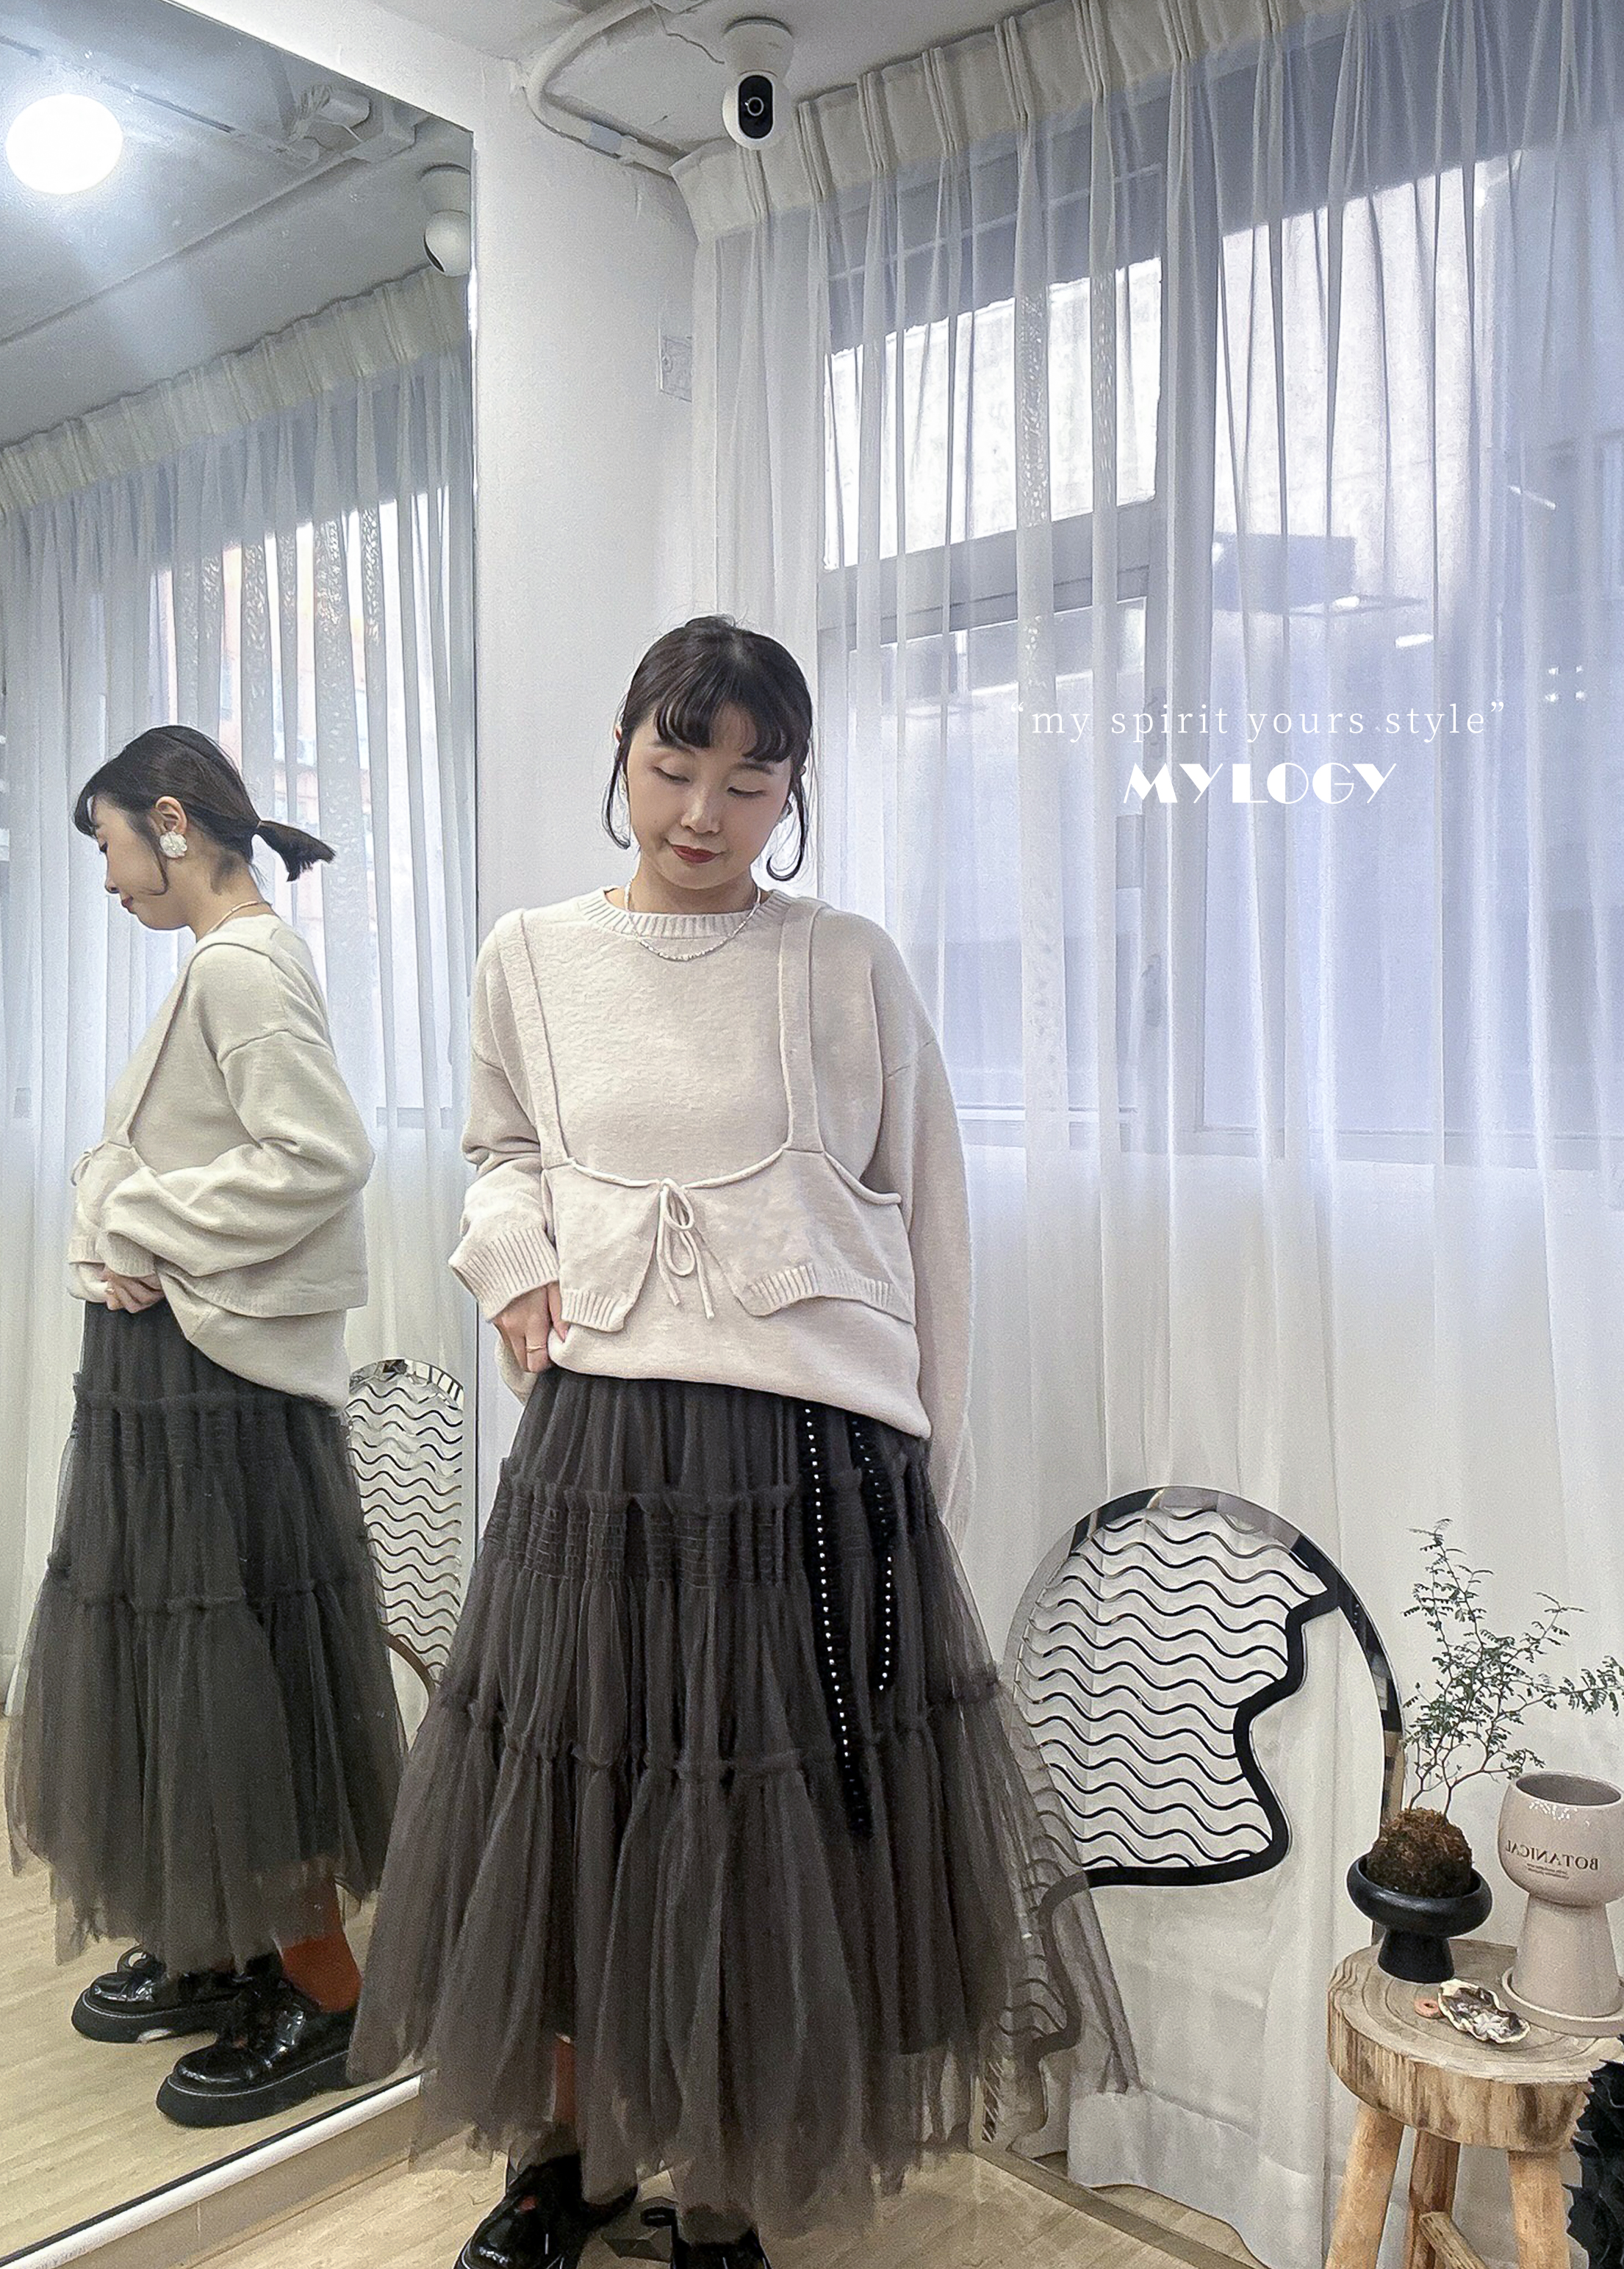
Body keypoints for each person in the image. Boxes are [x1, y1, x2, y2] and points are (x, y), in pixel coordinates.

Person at [347, 618, 1136, 2268]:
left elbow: (932, 1219)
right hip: (604, 1459)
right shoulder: (531, 956)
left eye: (750, 779)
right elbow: (501, 1151)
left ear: (793, 789)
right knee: (577, 1818)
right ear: (623, 748)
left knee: (764, 1838)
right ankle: (566, 2164)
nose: (703, 811)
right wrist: (516, 1261)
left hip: (808, 1468)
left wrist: (929, 1467)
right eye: (673, 763)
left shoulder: (843, 963)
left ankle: (721, 2193)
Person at [4, 724, 408, 2129]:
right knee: (189, 1676)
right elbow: (155, 1156)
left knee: (240, 1681)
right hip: (176, 1385)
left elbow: (321, 1156)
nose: (111, 878)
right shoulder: (219, 962)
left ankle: (324, 1991)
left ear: (169, 822)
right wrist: (126, 1217)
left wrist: (140, 1220)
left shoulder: (240, 965)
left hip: (213, 1396)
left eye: (111, 846)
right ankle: (233, 1947)